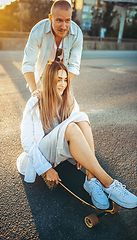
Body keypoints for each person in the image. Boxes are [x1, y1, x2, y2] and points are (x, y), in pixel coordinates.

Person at [17, 61, 137, 210]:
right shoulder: (35, 103)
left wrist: (81, 155)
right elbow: (28, 142)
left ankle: (91, 179)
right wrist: (46, 169)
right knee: (73, 126)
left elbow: (80, 127)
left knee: (81, 117)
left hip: (58, 152)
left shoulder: (68, 101)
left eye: (65, 79)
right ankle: (109, 183)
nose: (63, 84)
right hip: (42, 153)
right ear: (49, 80)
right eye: (58, 79)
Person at [22, 0, 83, 94]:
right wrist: (34, 90)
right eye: (59, 20)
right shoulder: (37, 31)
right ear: (50, 18)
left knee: (65, 105)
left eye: (67, 20)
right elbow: (28, 64)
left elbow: (74, 66)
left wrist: (62, 86)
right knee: (42, 103)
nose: (64, 26)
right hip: (44, 72)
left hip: (64, 75)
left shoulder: (77, 34)